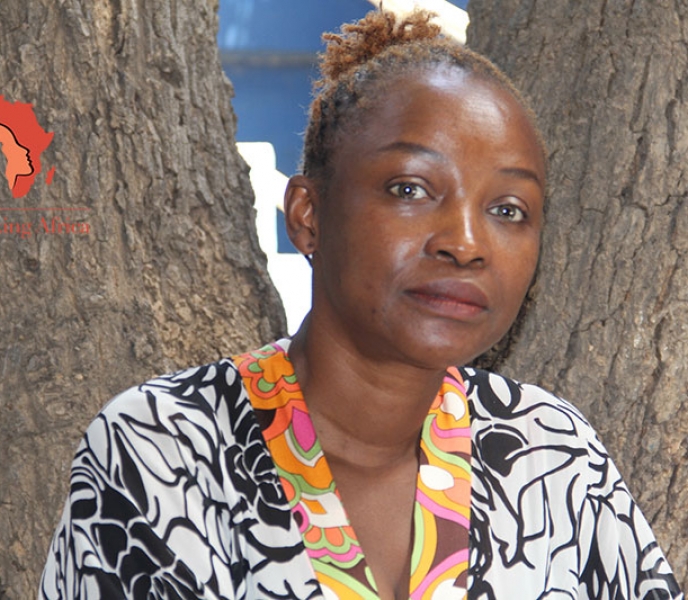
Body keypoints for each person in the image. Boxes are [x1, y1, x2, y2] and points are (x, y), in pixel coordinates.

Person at [40, 9, 682, 600]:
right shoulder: (160, 449)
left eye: (508, 210)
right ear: (308, 215)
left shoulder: (550, 453)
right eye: (410, 189)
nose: (465, 243)